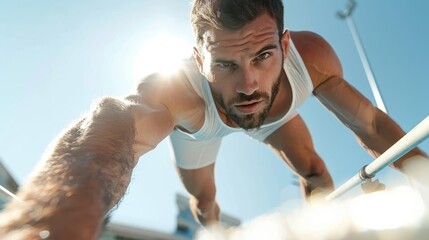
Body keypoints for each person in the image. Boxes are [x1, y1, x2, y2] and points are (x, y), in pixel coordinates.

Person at [0, 0, 428, 239]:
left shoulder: (310, 57)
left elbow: (371, 126)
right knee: (206, 203)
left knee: (315, 171)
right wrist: (58, 214)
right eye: (225, 64)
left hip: (275, 120)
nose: (248, 85)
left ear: (284, 43)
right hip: (200, 128)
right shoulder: (176, 90)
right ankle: (206, 224)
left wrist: (423, 177)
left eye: (263, 57)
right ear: (197, 56)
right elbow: (112, 125)